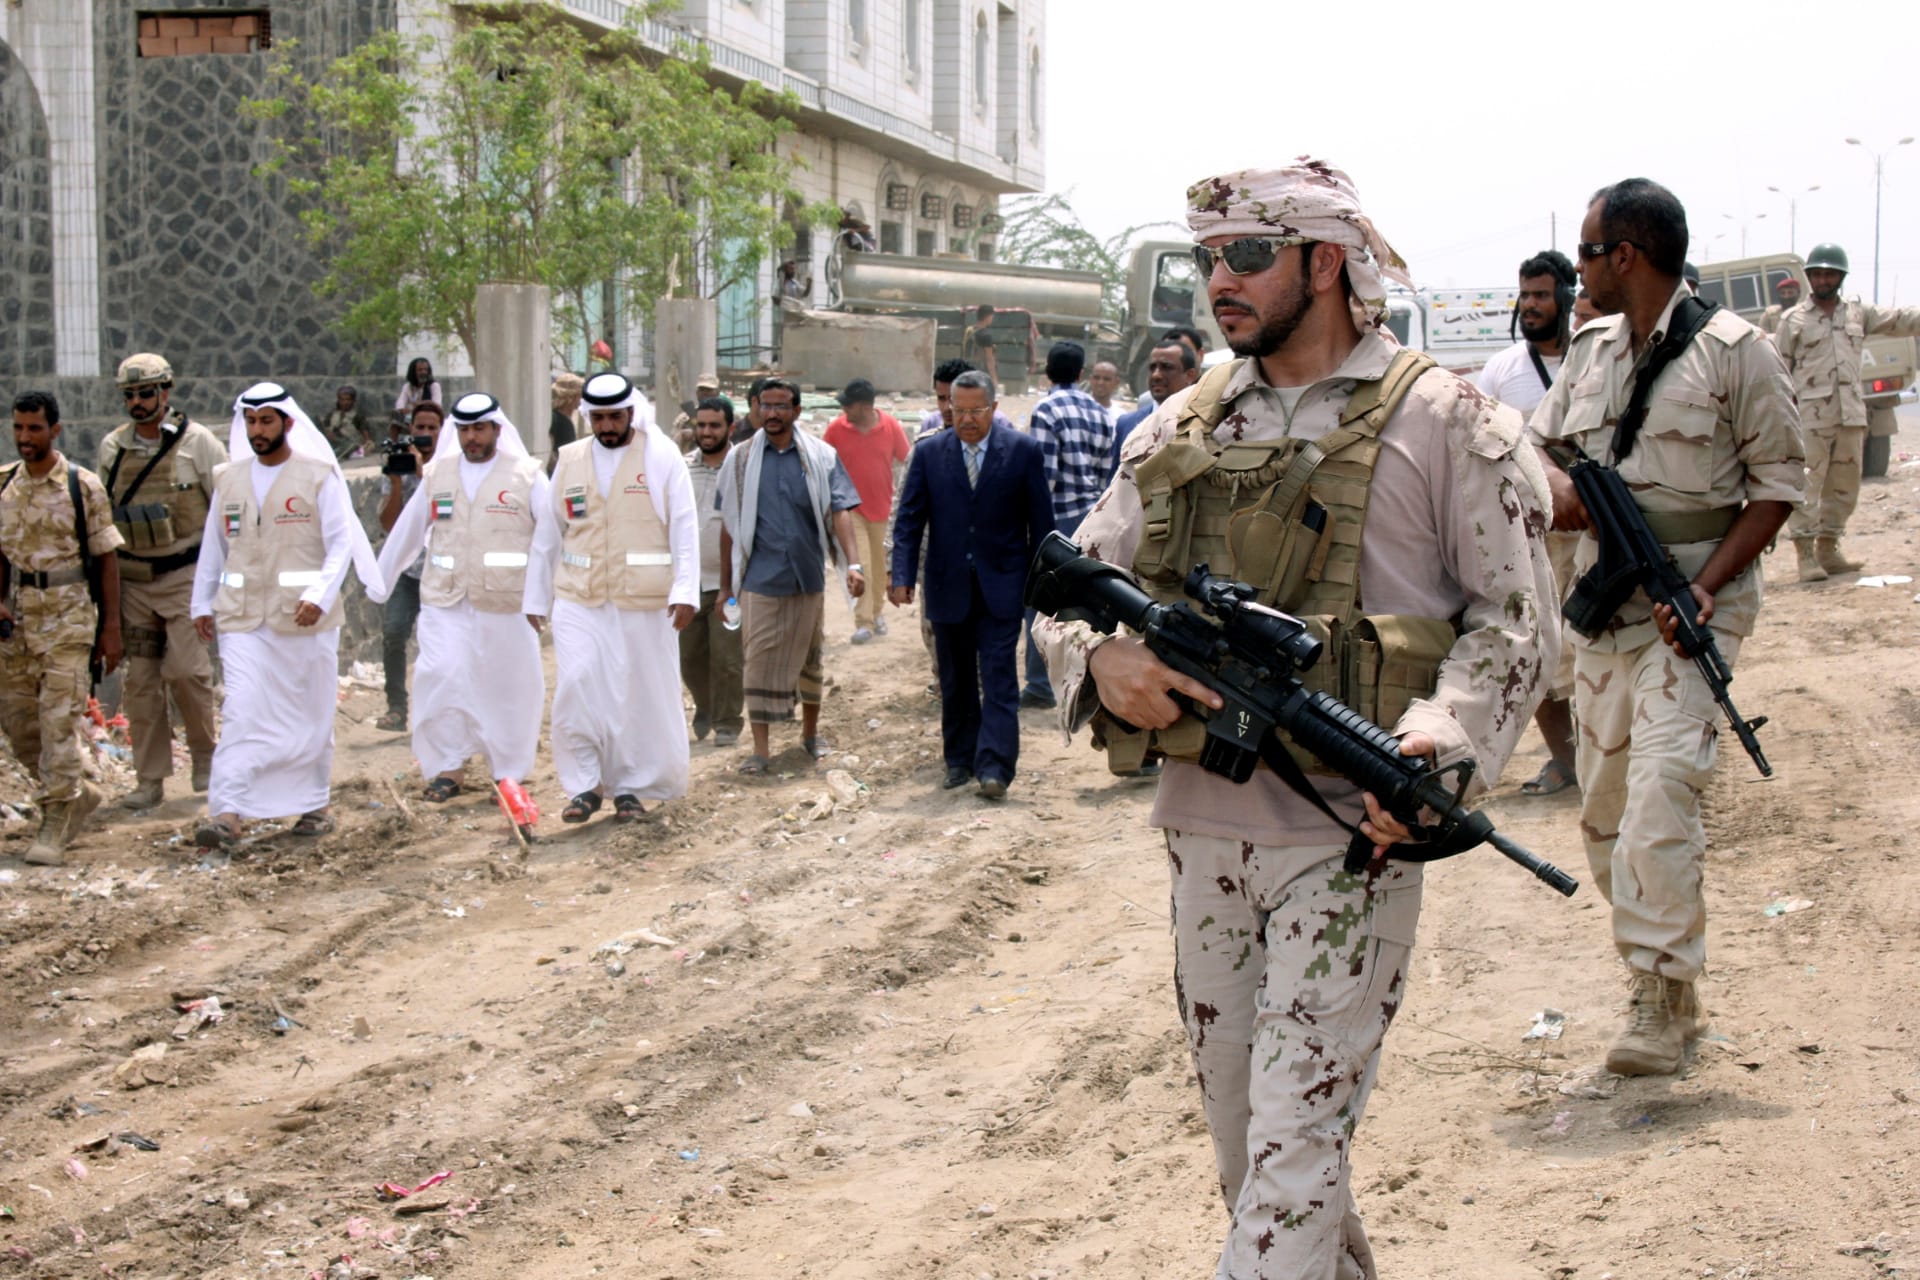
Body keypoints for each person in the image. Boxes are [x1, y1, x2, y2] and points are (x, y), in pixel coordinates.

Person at [1036, 160, 1555, 1278]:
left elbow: (1516, 625)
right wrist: (1103, 660)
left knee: (1292, 1147)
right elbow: (1070, 583)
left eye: (1249, 255)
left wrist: (1443, 739)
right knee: (1253, 1151)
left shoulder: (1448, 419)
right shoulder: (1181, 421)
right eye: (1207, 257)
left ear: (1328, 263)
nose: (1219, 278)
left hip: (1349, 841)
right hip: (1204, 831)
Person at [1531, 177, 1803, 1077]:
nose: (1578, 272)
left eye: (1585, 253)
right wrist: (1563, 492)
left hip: (1693, 609)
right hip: (1607, 606)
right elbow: (1544, 448)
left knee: (1659, 793)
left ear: (1626, 256)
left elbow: (1776, 489)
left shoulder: (1738, 353)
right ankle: (1666, 983)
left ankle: (1659, 991)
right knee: (1604, 809)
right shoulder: (1590, 350)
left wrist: (1706, 590)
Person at [191, 383, 384, 847]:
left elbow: (341, 544)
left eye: (266, 421)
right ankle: (228, 812)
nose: (258, 431)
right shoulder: (228, 479)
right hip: (242, 619)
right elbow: (214, 549)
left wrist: (320, 592)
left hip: (304, 620)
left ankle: (314, 805)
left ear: (287, 424)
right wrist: (201, 603)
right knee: (241, 708)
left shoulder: (317, 476)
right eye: (251, 422)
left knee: (308, 713)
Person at [528, 373, 699, 823]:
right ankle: (585, 785)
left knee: (633, 695)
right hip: (578, 599)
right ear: (587, 417)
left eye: (614, 417)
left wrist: (685, 590)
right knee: (578, 685)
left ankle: (629, 787)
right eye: (598, 417)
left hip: (644, 601)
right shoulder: (569, 459)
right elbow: (548, 534)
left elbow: (684, 527)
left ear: (631, 413)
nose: (606, 426)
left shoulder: (661, 457)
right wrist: (534, 599)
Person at [370, 393, 551, 816]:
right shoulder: (438, 475)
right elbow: (409, 531)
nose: (472, 437)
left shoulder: (526, 476)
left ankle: (508, 771)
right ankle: (448, 767)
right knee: (441, 676)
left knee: (507, 688)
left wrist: (544, 597)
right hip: (445, 600)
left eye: (479, 429)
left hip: (506, 603)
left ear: (496, 431)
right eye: (465, 429)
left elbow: (550, 539)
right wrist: (380, 581)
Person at [890, 370, 1053, 799]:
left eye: (974, 411)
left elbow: (1042, 528)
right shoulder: (929, 454)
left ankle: (995, 767)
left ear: (994, 409)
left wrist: (1044, 587)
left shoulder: (1022, 452)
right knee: (955, 678)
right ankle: (959, 759)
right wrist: (902, 575)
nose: (964, 419)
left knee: (998, 676)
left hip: (1003, 585)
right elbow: (909, 520)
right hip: (946, 585)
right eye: (956, 410)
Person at [96, 352, 226, 810]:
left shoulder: (199, 443)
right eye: (129, 395)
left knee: (189, 671)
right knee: (142, 684)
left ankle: (207, 759)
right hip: (134, 580)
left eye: (146, 392)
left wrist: (222, 580)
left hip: (184, 576)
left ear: (165, 391)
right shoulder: (113, 448)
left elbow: (225, 512)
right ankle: (149, 779)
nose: (137, 402)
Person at [715, 376, 865, 776]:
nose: (773, 413)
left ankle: (811, 737)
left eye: (781, 406)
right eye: (766, 406)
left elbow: (840, 510)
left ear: (796, 411)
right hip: (760, 580)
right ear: (757, 409)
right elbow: (729, 524)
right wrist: (725, 587)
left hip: (806, 578)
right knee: (758, 663)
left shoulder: (821, 456)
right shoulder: (741, 459)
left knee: (810, 660)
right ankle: (760, 751)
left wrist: (854, 563)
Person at [1, 391, 124, 865]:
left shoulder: (82, 486)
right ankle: (75, 795)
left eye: (34, 428)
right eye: (18, 428)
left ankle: (55, 820)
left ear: (55, 429)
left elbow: (106, 557)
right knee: (20, 725)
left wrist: (111, 629)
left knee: (58, 721)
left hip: (69, 619)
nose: (24, 437)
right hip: (19, 618)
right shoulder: (5, 485)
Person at [1475, 250, 1582, 797]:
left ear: (1567, 294)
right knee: (1540, 649)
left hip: (1595, 532)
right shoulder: (1504, 369)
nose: (1531, 305)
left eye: (1542, 294)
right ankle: (1566, 762)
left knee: (1597, 648)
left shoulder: (1593, 357)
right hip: (1533, 534)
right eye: (1525, 295)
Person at [1770, 242, 1920, 581]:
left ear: (1841, 277)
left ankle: (1829, 548)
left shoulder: (1857, 313)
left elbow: (1898, 320)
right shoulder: (1792, 321)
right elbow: (1778, 371)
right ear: (1809, 277)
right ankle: (1806, 555)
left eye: (1831, 273)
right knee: (1807, 484)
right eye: (1818, 273)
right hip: (1809, 417)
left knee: (1845, 486)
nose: (1824, 279)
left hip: (1851, 416)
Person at [1020, 339, 1115, 709]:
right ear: (1081, 374)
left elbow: (1045, 478)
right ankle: (1083, 685)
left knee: (1042, 603)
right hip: (1093, 515)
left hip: (1056, 519)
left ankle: (1041, 687)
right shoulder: (1101, 414)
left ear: (1047, 372)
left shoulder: (1045, 410)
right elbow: (1108, 474)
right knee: (1087, 607)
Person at [823, 378, 911, 644]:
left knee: (879, 566)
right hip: (851, 511)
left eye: (848, 405)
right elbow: (824, 462)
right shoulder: (837, 430)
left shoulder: (891, 427)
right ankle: (864, 623)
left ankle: (876, 612)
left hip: (883, 508)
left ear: (863, 407)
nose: (844, 411)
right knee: (861, 565)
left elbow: (907, 461)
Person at [374, 401, 443, 731]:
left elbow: (446, 520)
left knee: (441, 642)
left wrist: (423, 474)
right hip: (408, 569)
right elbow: (390, 524)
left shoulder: (448, 468)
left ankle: (441, 710)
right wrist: (399, 481)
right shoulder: (398, 462)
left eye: (433, 429)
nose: (426, 435)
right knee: (393, 633)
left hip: (442, 572)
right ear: (410, 430)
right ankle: (397, 708)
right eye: (420, 428)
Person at [681, 395, 745, 747]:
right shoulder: (680, 467)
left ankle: (727, 722)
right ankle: (704, 706)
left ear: (730, 428)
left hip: (731, 584)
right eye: (701, 425)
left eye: (714, 426)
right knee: (688, 658)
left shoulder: (742, 468)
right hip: (688, 584)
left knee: (727, 658)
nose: (706, 432)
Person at [1112, 341, 1198, 475]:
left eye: (1167, 367)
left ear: (1190, 375)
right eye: (1152, 368)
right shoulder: (1127, 424)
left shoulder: (1201, 423)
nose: (1156, 375)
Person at [671, 373, 721, 451]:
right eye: (701, 390)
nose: (705, 393)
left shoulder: (726, 416)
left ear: (717, 393)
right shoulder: (684, 418)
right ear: (697, 393)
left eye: (709, 390)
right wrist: (682, 435)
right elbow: (672, 445)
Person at [321, 385, 374, 459]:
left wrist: (367, 443)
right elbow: (324, 427)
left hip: (348, 445)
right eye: (342, 400)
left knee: (346, 447)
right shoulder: (332, 414)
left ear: (353, 401)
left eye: (348, 400)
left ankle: (331, 456)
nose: (345, 402)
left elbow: (365, 433)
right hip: (333, 442)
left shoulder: (357, 416)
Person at [549, 373, 585, 477]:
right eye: (580, 395)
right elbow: (550, 455)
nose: (581, 399)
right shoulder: (555, 418)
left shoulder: (567, 418)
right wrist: (565, 473)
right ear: (571, 396)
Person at [962, 303, 999, 388]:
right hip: (980, 373)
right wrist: (994, 379)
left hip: (966, 370)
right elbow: (989, 359)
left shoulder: (969, 330)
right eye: (992, 316)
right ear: (988, 317)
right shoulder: (986, 335)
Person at [1084, 359, 1123, 424]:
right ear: (1090, 379)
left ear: (1116, 382)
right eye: (1096, 378)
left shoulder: (1120, 416)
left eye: (1106, 379)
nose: (1100, 383)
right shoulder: (1079, 409)